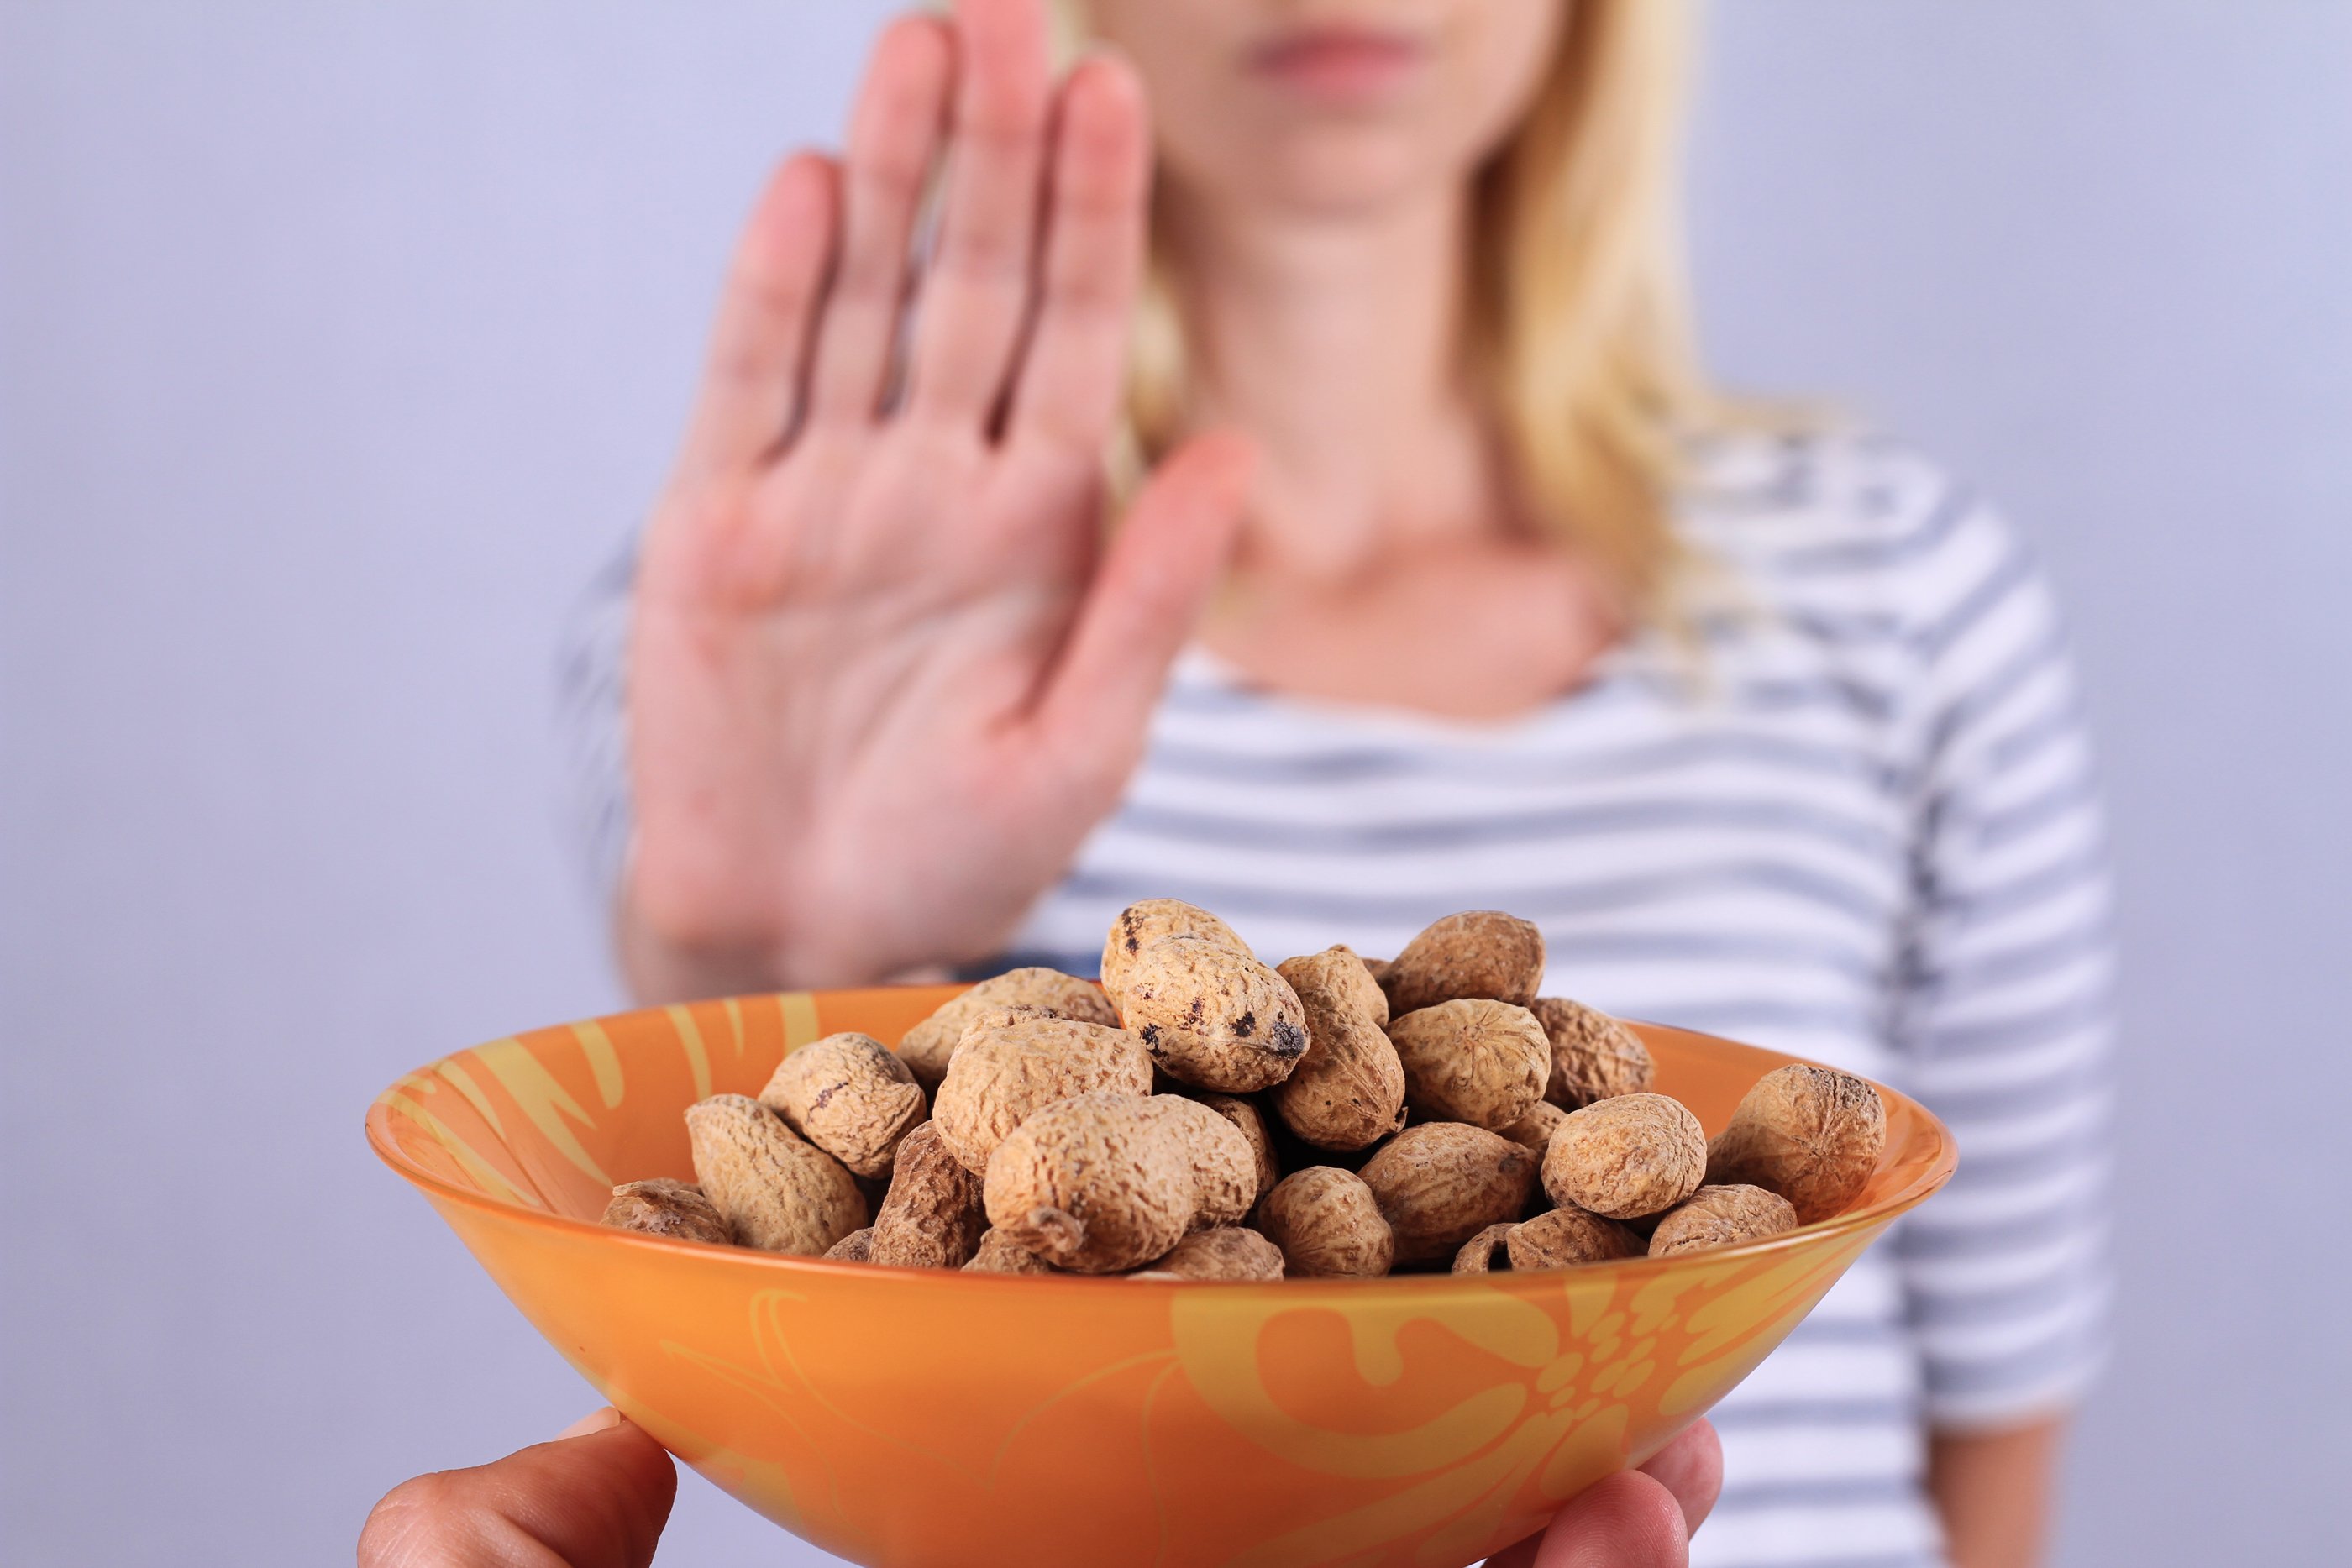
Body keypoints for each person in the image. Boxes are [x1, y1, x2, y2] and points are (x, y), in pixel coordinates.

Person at [391, 0, 2118, 1562]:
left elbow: (1996, 1402)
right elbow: (789, 1249)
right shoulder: (826, 615)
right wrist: (747, 952)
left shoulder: (1892, 584)